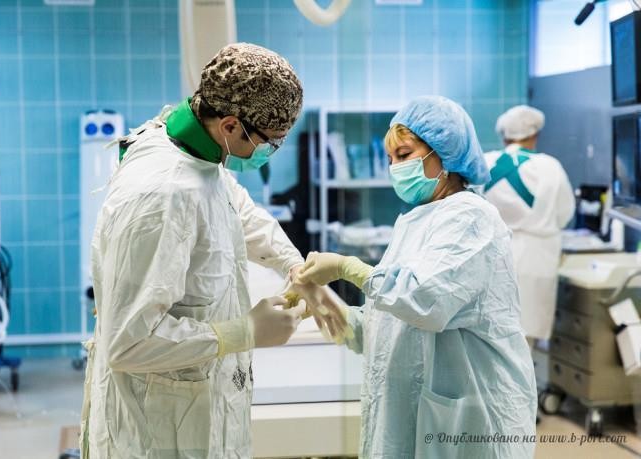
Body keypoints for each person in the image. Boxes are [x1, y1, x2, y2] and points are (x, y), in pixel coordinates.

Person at [79, 43, 346, 459]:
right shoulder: (162, 196)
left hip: (194, 410)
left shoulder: (194, 149)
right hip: (155, 431)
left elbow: (239, 210)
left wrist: (295, 268)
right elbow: (127, 342)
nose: (268, 153)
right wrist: (244, 332)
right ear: (231, 125)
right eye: (269, 143)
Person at [297, 96, 537, 458]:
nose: (395, 167)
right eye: (391, 158)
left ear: (446, 153)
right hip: (415, 410)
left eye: (405, 155)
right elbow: (391, 324)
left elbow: (425, 301)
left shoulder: (470, 217)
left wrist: (348, 268)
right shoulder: (415, 220)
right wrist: (329, 308)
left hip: (469, 413)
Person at [484, 105, 575, 348]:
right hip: (536, 260)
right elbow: (564, 214)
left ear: (504, 135)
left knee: (489, 342)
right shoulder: (550, 167)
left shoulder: (485, 163)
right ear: (535, 135)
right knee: (524, 345)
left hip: (492, 261)